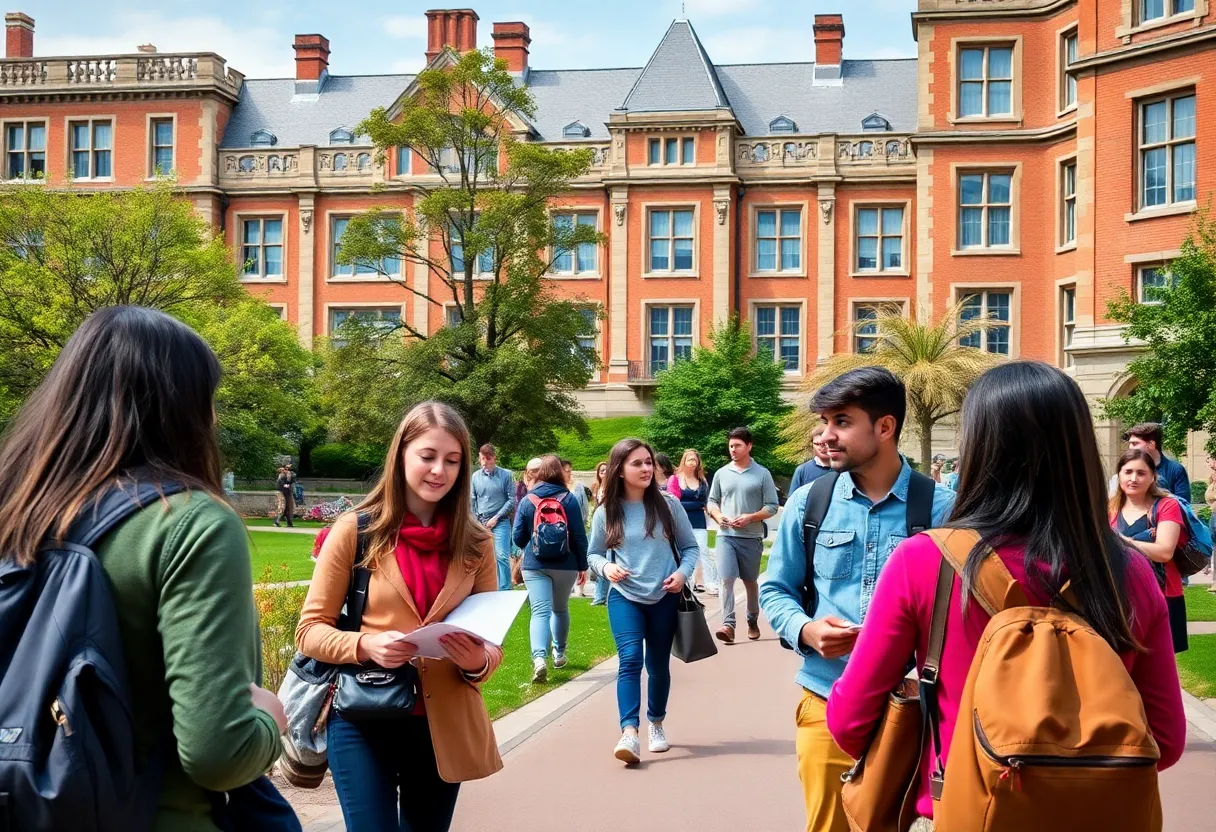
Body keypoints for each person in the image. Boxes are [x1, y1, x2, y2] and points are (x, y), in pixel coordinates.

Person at [824, 362, 1187, 827]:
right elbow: (1166, 740)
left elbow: (850, 724)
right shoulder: (1128, 571)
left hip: (960, 812)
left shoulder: (925, 562)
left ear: (979, 448)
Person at [0, 306, 288, 829]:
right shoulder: (189, 523)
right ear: (180, 407)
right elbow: (217, 751)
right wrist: (269, 722)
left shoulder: (14, 511)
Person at [759, 366, 955, 832]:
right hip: (826, 699)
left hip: (915, 711)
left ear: (884, 427)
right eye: (825, 422)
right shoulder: (809, 502)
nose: (826, 436)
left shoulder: (944, 509)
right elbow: (775, 588)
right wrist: (805, 629)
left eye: (841, 422)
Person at [296, 402, 504, 831]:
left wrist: (477, 662)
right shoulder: (355, 530)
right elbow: (309, 631)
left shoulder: (477, 542)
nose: (438, 471)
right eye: (427, 456)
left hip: (442, 724)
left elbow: (491, 639)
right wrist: (364, 645)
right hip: (363, 717)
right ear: (402, 455)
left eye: (452, 461)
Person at [587, 438, 699, 765]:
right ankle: (629, 733)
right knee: (631, 659)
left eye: (648, 462)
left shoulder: (668, 505)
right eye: (637, 463)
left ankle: (657, 723)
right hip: (624, 598)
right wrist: (606, 567)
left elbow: (691, 548)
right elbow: (593, 554)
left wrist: (682, 574)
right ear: (619, 470)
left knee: (658, 665)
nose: (646, 468)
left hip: (664, 597)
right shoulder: (607, 511)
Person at [513, 455, 588, 682]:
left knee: (540, 611)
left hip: (535, 565)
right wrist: (582, 564)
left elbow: (517, 538)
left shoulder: (528, 500)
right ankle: (559, 653)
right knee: (560, 609)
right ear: (560, 473)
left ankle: (538, 659)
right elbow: (579, 535)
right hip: (566, 564)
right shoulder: (569, 499)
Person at [1110, 447, 1190, 653]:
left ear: (1153, 477)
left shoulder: (1166, 506)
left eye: (1141, 473)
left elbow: (1164, 552)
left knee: (1161, 669)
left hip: (1162, 595)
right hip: (1121, 595)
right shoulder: (1109, 510)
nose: (1133, 478)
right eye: (1128, 472)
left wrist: (1122, 540)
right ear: (1119, 475)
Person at [707, 427, 779, 643]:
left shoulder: (762, 474)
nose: (733, 450)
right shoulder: (721, 473)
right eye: (730, 446)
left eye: (737, 445)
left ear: (749, 446)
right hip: (726, 535)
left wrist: (751, 517)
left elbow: (772, 506)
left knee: (749, 581)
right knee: (726, 579)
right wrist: (719, 516)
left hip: (751, 537)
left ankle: (752, 619)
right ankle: (728, 624)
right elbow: (712, 502)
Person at [668, 448, 718, 596]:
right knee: (683, 552)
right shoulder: (676, 479)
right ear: (684, 461)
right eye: (689, 459)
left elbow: (705, 501)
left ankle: (711, 583)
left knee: (704, 551)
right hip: (681, 521)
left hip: (699, 521)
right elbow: (673, 501)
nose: (692, 462)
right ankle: (686, 582)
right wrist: (694, 505)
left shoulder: (701, 481)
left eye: (695, 460)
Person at [471, 443, 516, 591]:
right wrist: (476, 521)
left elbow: (511, 500)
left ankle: (505, 588)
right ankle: (484, 587)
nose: (484, 463)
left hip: (500, 521)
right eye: (482, 459)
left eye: (488, 459)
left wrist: (496, 517)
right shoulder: (475, 477)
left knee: (501, 555)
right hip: (481, 521)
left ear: (494, 459)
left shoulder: (505, 475)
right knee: (480, 557)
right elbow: (473, 499)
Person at [1124, 422, 1191, 501]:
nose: (1130, 448)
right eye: (1130, 443)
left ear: (1151, 444)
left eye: (1135, 443)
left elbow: (1184, 504)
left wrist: (1161, 495)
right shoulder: (1126, 470)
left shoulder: (1176, 469)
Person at [590, 461, 613, 606]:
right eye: (601, 470)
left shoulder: (613, 488)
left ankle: (601, 596)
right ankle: (599, 595)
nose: (603, 472)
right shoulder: (596, 487)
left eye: (606, 470)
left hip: (610, 523)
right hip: (598, 522)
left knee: (606, 558)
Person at [789, 425, 833, 492]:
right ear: (812, 445)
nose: (822, 447)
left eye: (825, 443)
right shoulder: (802, 470)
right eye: (817, 444)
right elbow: (793, 500)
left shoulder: (846, 468)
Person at [275, 463, 297, 527]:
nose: (285, 470)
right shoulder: (281, 475)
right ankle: (277, 521)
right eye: (285, 469)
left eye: (287, 469)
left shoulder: (291, 474)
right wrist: (284, 485)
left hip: (288, 492)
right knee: (282, 506)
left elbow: (292, 480)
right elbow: (281, 482)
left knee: (289, 507)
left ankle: (289, 522)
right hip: (281, 492)